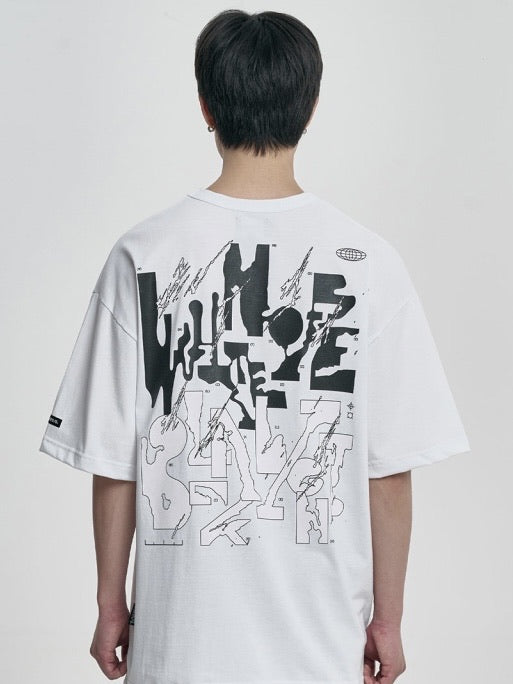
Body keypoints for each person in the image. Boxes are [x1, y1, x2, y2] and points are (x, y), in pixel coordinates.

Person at [38, 9, 471, 684]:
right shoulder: (371, 264)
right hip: (321, 648)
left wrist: (109, 604)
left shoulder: (143, 255)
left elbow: (115, 460)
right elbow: (387, 468)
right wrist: (387, 621)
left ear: (206, 106)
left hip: (178, 647)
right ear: (311, 106)